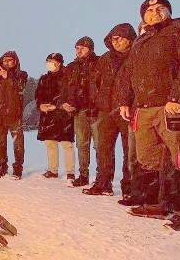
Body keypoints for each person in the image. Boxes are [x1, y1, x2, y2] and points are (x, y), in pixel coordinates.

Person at [116, 0, 180, 232]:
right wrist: (125, 101)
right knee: (148, 158)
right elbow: (128, 72)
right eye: (149, 10)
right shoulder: (141, 41)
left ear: (169, 12)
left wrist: (177, 97)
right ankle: (155, 204)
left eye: (159, 8)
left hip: (171, 106)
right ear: (143, 16)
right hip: (143, 108)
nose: (154, 12)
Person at [84, 23, 139, 197]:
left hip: (126, 110)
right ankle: (103, 184)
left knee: (129, 151)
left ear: (129, 38)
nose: (116, 42)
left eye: (119, 38)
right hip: (105, 110)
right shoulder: (106, 58)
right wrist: (97, 98)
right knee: (103, 148)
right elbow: (94, 80)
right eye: (113, 39)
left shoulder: (136, 55)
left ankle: (129, 188)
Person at [61, 36, 99, 187]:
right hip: (79, 111)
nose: (79, 51)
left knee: (100, 145)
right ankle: (83, 175)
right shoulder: (71, 67)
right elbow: (63, 88)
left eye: (83, 48)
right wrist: (63, 102)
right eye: (77, 48)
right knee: (82, 144)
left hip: (96, 111)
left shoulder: (99, 63)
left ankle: (103, 178)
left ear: (90, 49)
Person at [35, 53, 75, 180]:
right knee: (50, 143)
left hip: (63, 115)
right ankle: (53, 170)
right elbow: (38, 95)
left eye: (52, 61)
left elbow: (68, 94)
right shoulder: (44, 78)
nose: (49, 63)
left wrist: (57, 105)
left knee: (66, 144)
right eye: (48, 61)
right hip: (47, 115)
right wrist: (40, 105)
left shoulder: (67, 76)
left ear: (59, 63)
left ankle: (70, 172)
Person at [0, 51, 28, 179]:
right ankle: (2, 166)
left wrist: (7, 76)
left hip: (14, 115)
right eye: (4, 60)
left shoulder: (21, 74)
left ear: (15, 61)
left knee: (18, 144)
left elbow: (20, 87)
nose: (6, 62)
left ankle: (18, 169)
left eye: (9, 60)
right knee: (0, 143)